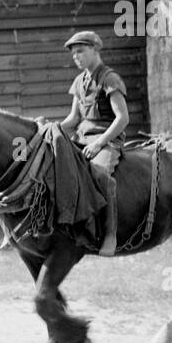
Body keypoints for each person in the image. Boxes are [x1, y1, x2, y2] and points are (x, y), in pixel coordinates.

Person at [59, 30, 129, 257]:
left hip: (107, 139)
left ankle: (110, 234)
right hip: (82, 138)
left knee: (100, 175)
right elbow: (74, 119)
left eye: (81, 51)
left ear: (95, 49)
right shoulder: (79, 82)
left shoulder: (109, 78)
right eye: (73, 54)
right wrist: (52, 128)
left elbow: (122, 118)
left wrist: (99, 143)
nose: (76, 57)